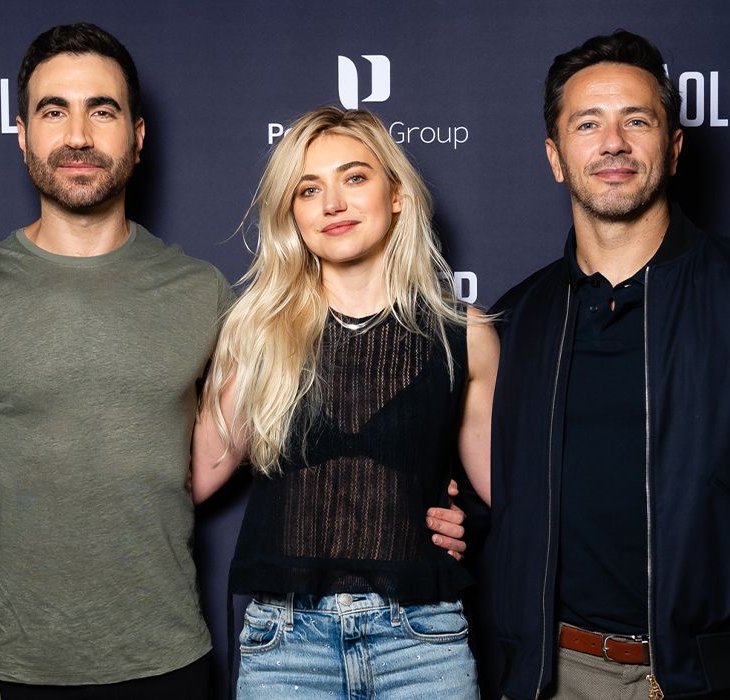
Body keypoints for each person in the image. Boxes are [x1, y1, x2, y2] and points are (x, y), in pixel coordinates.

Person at [0, 23, 469, 699]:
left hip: (167, 655)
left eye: (101, 111)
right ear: (21, 136)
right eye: (52, 111)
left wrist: (440, 501)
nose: (77, 134)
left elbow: (296, 404)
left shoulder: (205, 294)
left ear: (137, 137)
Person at [482, 31, 730, 700]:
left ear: (673, 145)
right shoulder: (515, 320)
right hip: (560, 675)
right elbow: (498, 494)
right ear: (555, 156)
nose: (612, 142)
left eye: (637, 120)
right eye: (588, 124)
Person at [188, 106, 499, 698]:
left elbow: (508, 491)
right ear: (292, 214)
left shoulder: (466, 335)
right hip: (286, 649)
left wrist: (469, 523)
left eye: (354, 177)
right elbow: (195, 477)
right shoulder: (256, 332)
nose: (333, 203)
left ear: (398, 194)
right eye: (309, 189)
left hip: (423, 641)